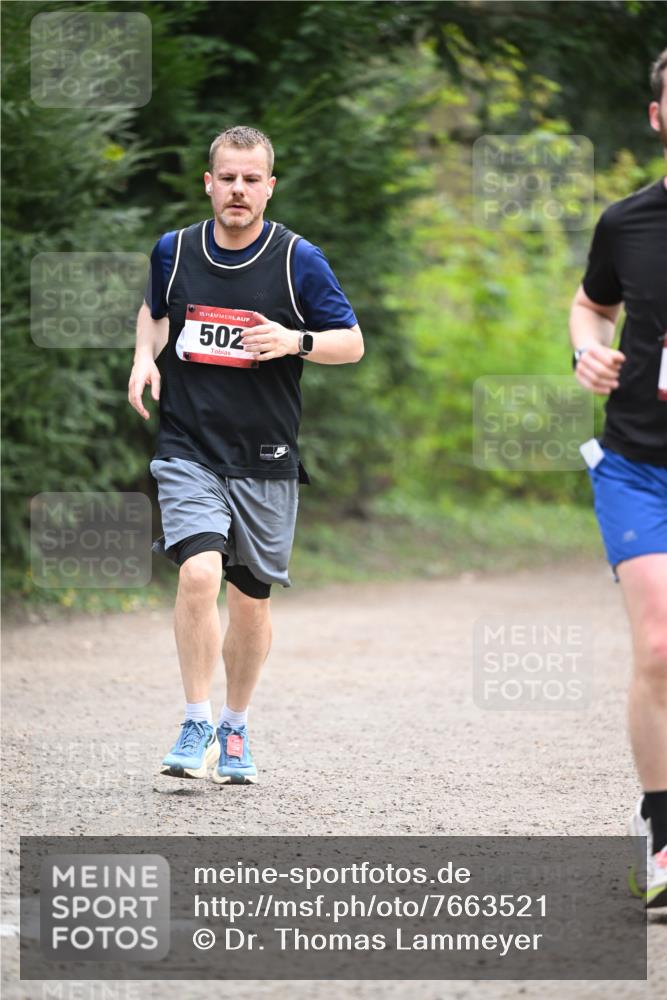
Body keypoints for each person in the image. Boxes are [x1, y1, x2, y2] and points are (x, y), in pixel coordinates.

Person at [128, 126, 363, 785]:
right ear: (209, 182)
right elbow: (155, 312)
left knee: (250, 600)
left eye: (250, 179)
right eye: (226, 178)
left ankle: (234, 724)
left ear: (269, 186)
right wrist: (145, 359)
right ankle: (195, 717)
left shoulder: (297, 260)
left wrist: (295, 341)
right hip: (188, 446)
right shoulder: (174, 251)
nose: (237, 189)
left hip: (265, 455)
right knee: (198, 574)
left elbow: (351, 343)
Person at [569, 49, 667, 908]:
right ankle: (664, 837)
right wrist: (584, 350)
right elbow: (590, 303)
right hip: (638, 465)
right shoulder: (627, 222)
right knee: (659, 646)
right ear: (657, 117)